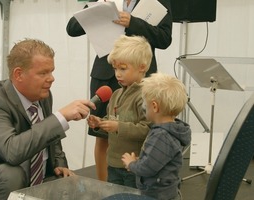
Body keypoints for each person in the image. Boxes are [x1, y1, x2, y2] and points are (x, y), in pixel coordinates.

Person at [0, 38, 96, 200]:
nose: (51, 78)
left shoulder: (43, 94)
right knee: (10, 174)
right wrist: (61, 117)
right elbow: (12, 152)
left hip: (36, 179)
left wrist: (59, 163)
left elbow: (49, 134)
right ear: (18, 74)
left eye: (51, 71)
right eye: (43, 73)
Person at [66, 0, 172, 181]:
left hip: (142, 77)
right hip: (106, 76)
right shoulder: (106, 0)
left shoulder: (158, 1)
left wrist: (133, 23)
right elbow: (72, 28)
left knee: (144, 132)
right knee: (102, 134)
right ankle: (104, 188)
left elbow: (164, 39)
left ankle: (140, 185)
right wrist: (98, 8)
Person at [87, 35, 152, 188]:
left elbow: (149, 130)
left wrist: (118, 127)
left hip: (134, 166)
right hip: (113, 164)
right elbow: (113, 120)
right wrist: (100, 123)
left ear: (142, 67)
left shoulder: (145, 96)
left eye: (123, 69)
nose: (117, 74)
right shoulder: (116, 94)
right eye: (115, 68)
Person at [121, 73, 191, 199]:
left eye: (145, 103)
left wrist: (131, 164)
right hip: (168, 192)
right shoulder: (172, 130)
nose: (144, 107)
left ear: (154, 106)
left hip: (157, 195)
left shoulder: (161, 136)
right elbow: (158, 160)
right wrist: (141, 160)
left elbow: (147, 169)